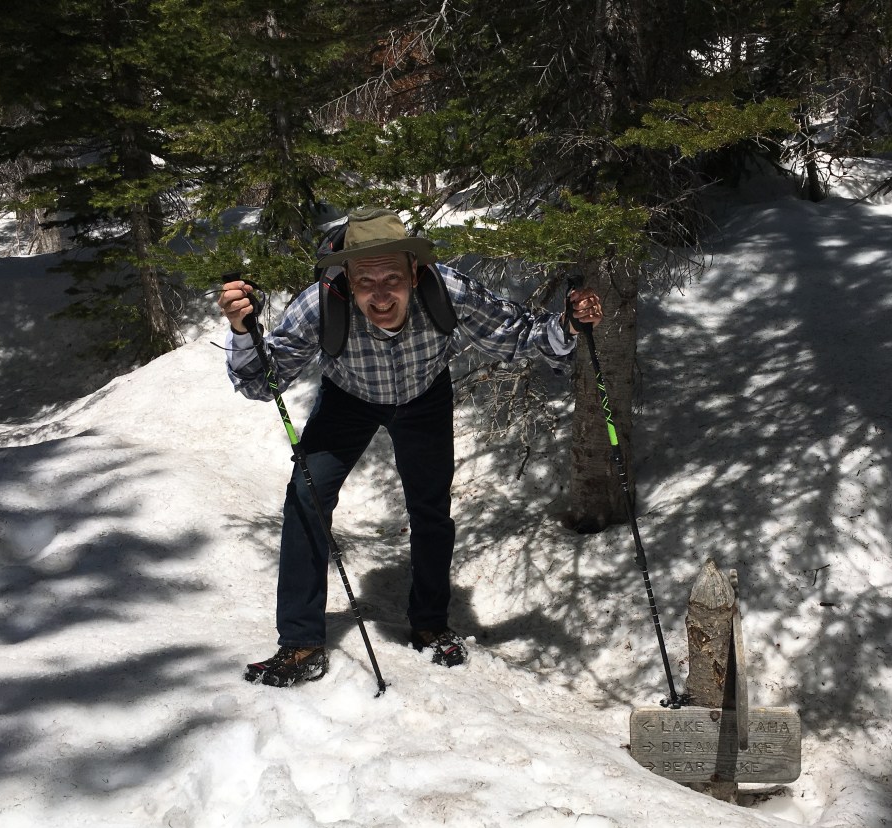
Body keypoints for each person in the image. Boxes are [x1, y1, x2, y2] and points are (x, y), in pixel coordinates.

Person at [218, 208, 604, 687]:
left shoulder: (448, 289)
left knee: (430, 509)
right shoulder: (319, 304)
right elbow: (261, 383)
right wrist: (242, 331)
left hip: (424, 396)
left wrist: (568, 324)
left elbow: (518, 334)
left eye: (392, 279)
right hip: (348, 399)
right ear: (348, 278)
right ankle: (300, 642)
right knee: (306, 497)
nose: (380, 294)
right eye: (365, 281)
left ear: (414, 273)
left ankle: (430, 624)